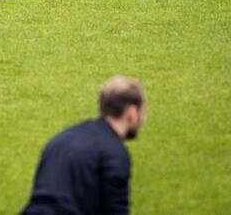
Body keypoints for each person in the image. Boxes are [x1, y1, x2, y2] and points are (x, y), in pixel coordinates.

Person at [21, 76, 148, 214]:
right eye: (142, 112)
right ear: (131, 113)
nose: (143, 119)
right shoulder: (114, 152)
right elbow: (116, 209)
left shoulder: (61, 139)